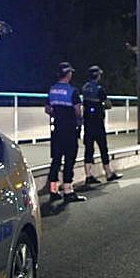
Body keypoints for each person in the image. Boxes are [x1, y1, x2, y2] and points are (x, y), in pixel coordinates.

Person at [45, 62, 86, 202]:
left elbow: (47, 109)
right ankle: (68, 191)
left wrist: (57, 115)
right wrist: (79, 122)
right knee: (69, 159)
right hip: (69, 129)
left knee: (56, 159)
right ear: (68, 74)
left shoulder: (52, 90)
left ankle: (53, 190)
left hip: (57, 130)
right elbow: (78, 112)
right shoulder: (72, 91)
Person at [81, 65, 121, 185]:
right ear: (97, 76)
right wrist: (102, 106)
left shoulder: (85, 88)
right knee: (103, 147)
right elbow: (108, 104)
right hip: (98, 122)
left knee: (89, 148)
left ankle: (88, 175)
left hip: (88, 122)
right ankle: (108, 173)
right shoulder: (99, 89)